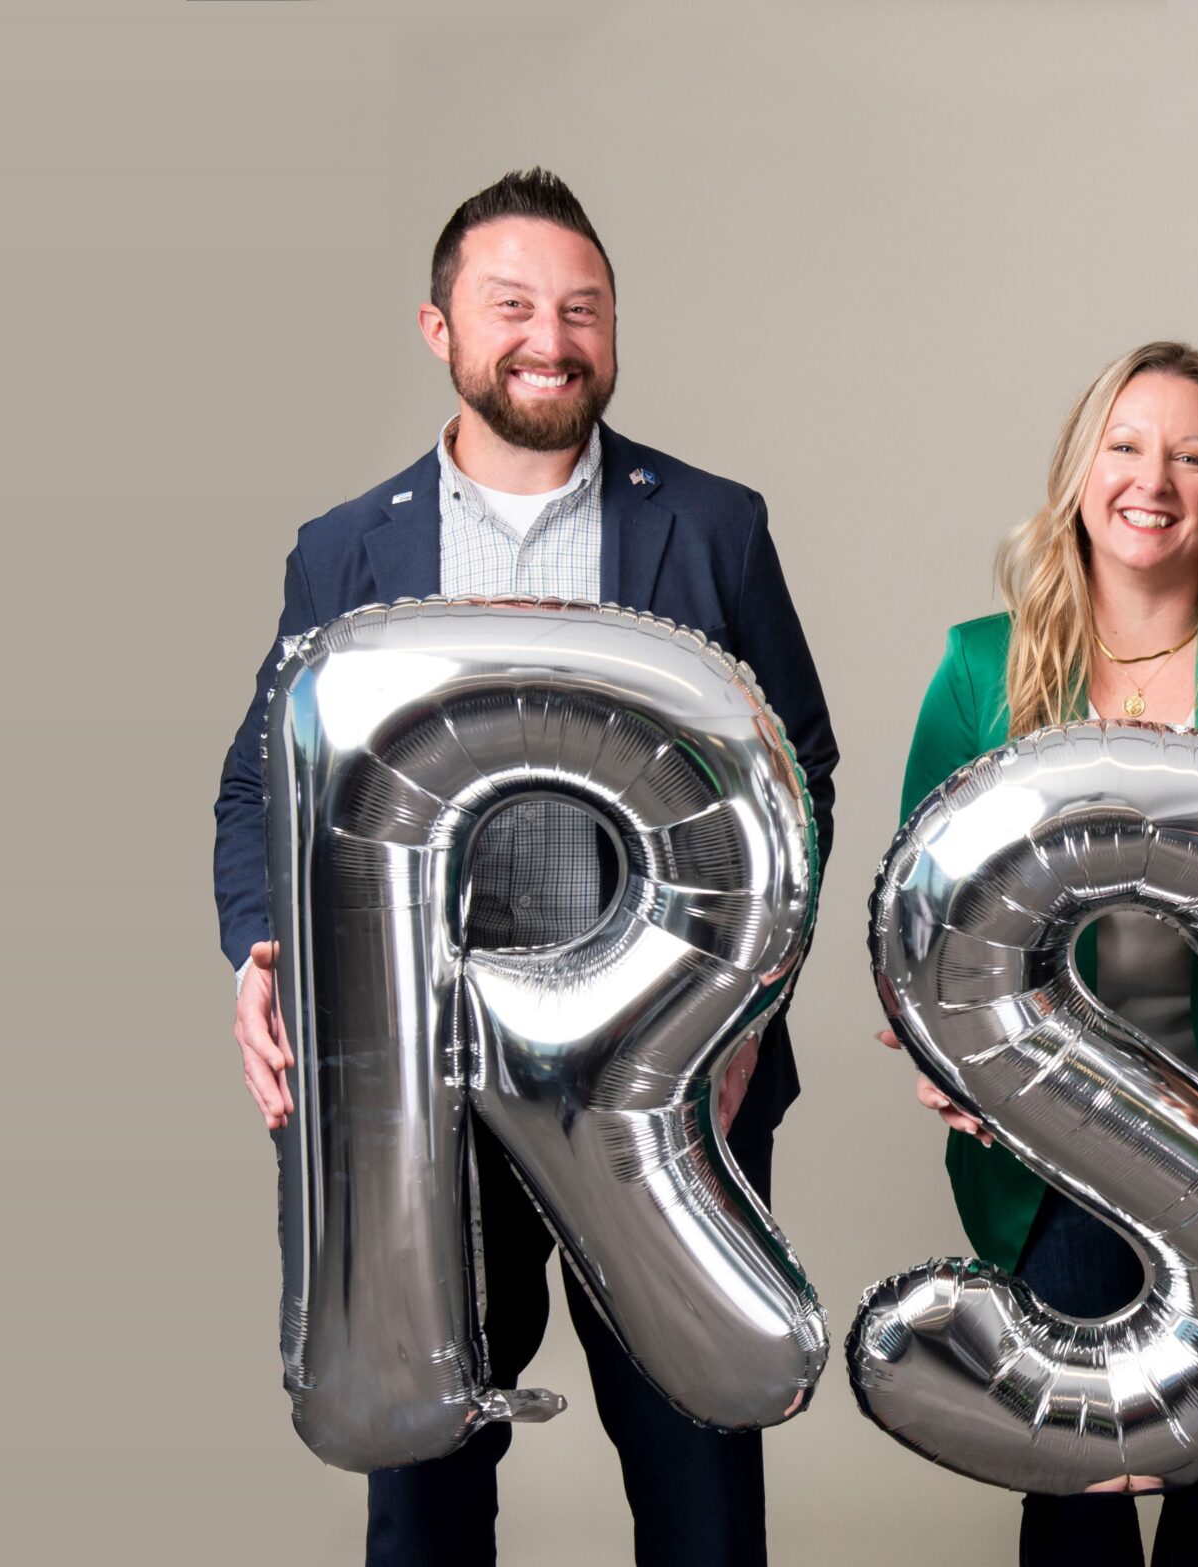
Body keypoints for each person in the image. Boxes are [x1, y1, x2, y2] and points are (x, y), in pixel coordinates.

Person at [211, 168, 837, 1567]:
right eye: (513, 306)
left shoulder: (715, 526)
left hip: (662, 1086)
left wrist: (742, 1002)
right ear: (438, 327)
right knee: (424, 1499)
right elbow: (265, 783)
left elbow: (799, 771)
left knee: (700, 1496)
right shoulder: (344, 550)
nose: (550, 337)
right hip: (420, 1097)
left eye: (581, 308)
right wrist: (261, 950)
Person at [885, 341, 1198, 1566]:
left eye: (1190, 454)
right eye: (1124, 445)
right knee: (1076, 1480)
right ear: (1079, 470)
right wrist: (931, 1047)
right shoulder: (980, 667)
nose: (1151, 479)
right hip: (1060, 1145)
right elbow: (915, 911)